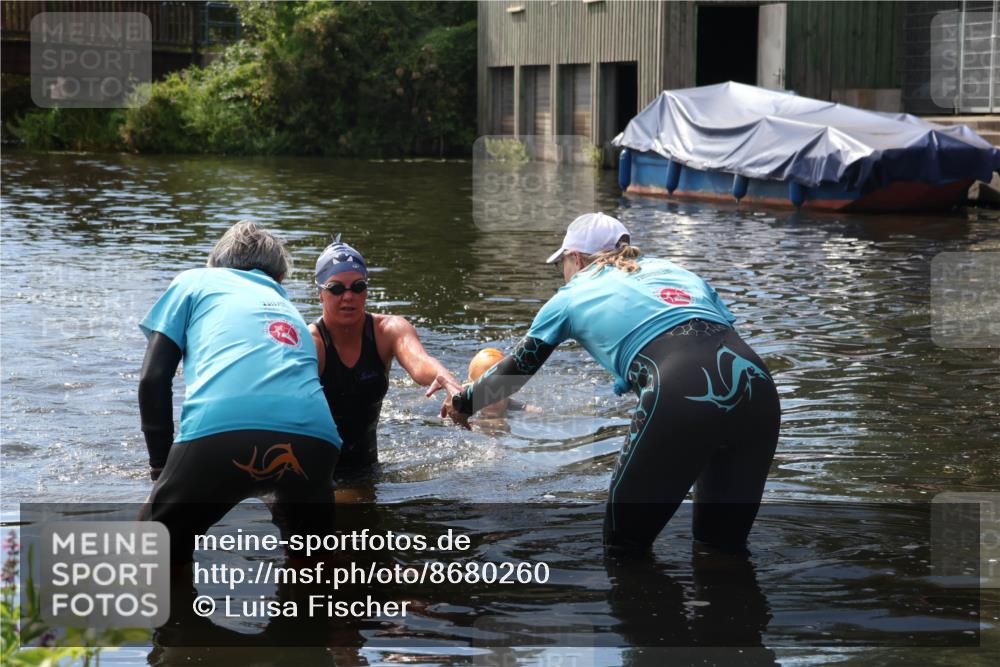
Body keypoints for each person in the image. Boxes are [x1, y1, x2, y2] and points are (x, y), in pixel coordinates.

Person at [437, 213, 780, 552]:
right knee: (722, 548)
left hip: (678, 390)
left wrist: (463, 402)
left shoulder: (571, 295)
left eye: (563, 266)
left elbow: (514, 374)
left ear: (576, 258)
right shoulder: (680, 273)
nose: (564, 275)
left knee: (624, 549)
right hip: (758, 386)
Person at [138, 221, 341, 563]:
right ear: (278, 278)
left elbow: (153, 380)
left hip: (222, 435)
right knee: (311, 569)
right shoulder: (288, 308)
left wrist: (161, 468)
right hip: (317, 443)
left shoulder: (194, 281)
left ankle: (169, 615)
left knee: (151, 552)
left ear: (215, 263)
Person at [309, 236, 463, 474]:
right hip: (317, 474)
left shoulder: (387, 331)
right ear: (320, 294)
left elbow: (420, 362)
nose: (348, 296)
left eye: (358, 287)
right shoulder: (311, 342)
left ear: (366, 292)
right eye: (336, 288)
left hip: (369, 468)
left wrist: (446, 379)